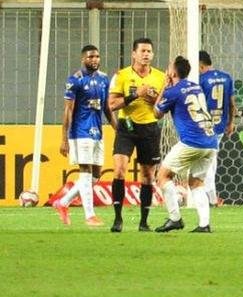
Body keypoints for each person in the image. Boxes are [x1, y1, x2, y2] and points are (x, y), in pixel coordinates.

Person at [152, 56, 219, 233]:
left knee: (163, 176)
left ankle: (175, 218)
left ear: (173, 72)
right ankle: (204, 225)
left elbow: (156, 113)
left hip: (192, 142)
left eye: (169, 68)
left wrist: (164, 87)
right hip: (211, 142)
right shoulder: (196, 87)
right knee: (196, 182)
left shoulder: (172, 91)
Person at [107, 37, 167, 233]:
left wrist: (152, 98)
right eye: (142, 51)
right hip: (127, 126)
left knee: (148, 175)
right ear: (133, 54)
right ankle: (117, 219)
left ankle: (144, 222)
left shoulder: (160, 77)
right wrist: (135, 94)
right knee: (119, 169)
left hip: (150, 128)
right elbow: (112, 105)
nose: (146, 54)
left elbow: (162, 108)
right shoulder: (121, 75)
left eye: (149, 51)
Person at [52, 44, 115, 227]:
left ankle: (62, 202)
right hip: (80, 132)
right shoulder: (75, 80)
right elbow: (68, 111)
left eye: (96, 56)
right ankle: (90, 216)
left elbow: (107, 108)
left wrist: (118, 129)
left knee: (96, 175)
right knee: (85, 172)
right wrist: (64, 139)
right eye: (90, 57)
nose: (94, 59)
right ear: (83, 59)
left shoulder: (104, 79)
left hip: (97, 132)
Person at [197, 50, 236, 205]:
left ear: (200, 65)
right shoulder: (227, 77)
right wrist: (231, 122)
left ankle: (211, 199)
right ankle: (211, 198)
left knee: (207, 163)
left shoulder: (200, 79)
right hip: (220, 125)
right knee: (211, 161)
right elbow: (232, 104)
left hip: (204, 126)